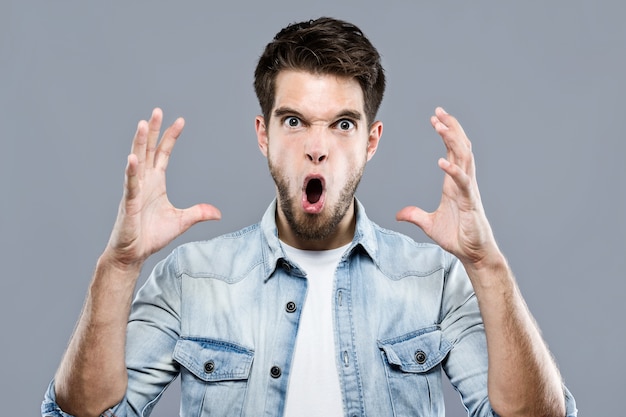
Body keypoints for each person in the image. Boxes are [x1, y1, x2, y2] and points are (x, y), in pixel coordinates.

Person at [42, 17, 577, 417]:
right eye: (294, 121)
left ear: (372, 142)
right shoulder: (190, 279)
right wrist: (118, 267)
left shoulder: (434, 280)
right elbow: (81, 415)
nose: (316, 148)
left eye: (342, 125)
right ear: (263, 135)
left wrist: (488, 267)